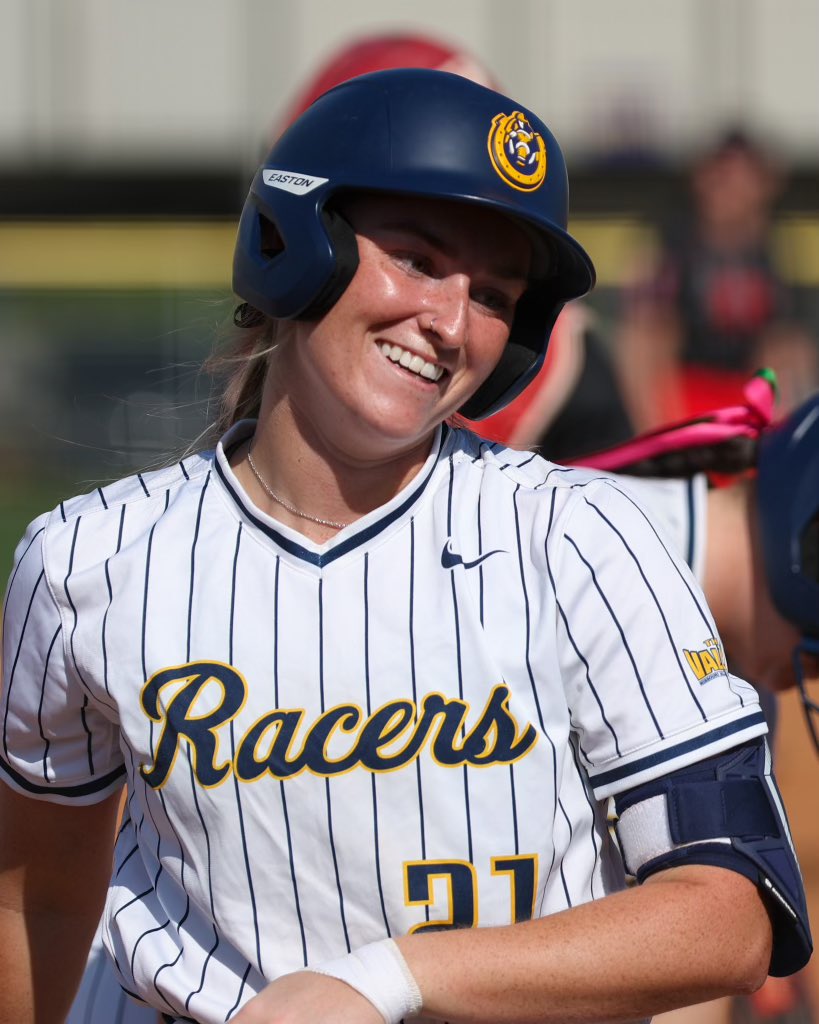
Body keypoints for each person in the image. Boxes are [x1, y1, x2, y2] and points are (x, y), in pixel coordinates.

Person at [1, 69, 811, 1024]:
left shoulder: (580, 537)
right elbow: (37, 897)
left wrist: (388, 977)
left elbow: (733, 912)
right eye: (419, 259)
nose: (450, 322)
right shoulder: (84, 564)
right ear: (295, 243)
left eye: (494, 295)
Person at [616, 127, 818, 433]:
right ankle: (661, 448)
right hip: (683, 389)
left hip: (746, 391)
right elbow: (644, 328)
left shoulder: (776, 249)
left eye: (739, 178)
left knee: (788, 349)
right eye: (719, 176)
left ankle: (773, 452)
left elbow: (787, 336)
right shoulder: (675, 244)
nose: (727, 189)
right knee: (643, 337)